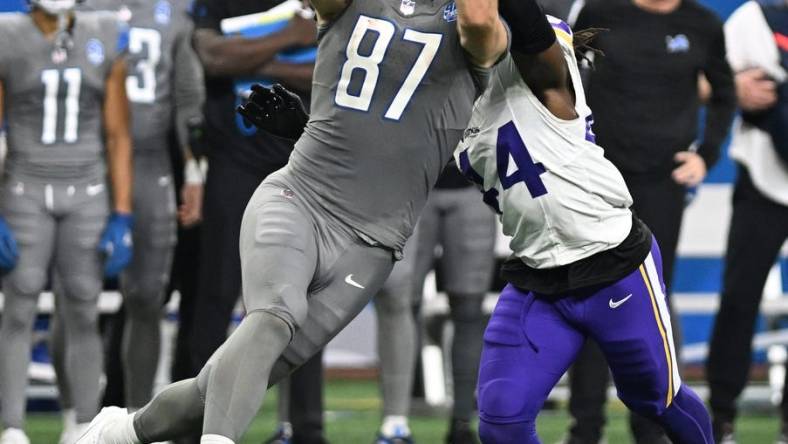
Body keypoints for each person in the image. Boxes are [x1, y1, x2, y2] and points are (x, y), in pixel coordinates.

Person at [76, 0, 508, 441]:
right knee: (275, 314)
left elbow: (476, 19)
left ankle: (121, 432)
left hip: (372, 243)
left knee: (228, 380)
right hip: (301, 197)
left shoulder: (479, 28)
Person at [454, 3, 716, 443]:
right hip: (538, 277)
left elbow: (501, 24)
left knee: (657, 398)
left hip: (613, 264)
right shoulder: (452, 100)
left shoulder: (542, 75)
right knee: (501, 419)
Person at [566, 0, 737, 441]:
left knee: (651, 303)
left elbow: (724, 93)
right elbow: (562, 83)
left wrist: (706, 155)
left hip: (663, 185)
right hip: (599, 182)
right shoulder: (600, 13)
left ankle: (650, 429)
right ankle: (585, 427)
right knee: (590, 295)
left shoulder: (702, 24)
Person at [53, 0, 206, 416]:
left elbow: (188, 95)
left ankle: (139, 420)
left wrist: (194, 170)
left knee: (146, 297)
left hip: (150, 163)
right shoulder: (79, 10)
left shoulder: (172, 13)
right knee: (74, 297)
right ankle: (75, 418)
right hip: (85, 161)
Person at [0, 0, 133, 442]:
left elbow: (118, 131)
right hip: (25, 186)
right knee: (18, 305)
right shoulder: (9, 33)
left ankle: (83, 424)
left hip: (87, 189)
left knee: (82, 306)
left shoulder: (104, 30)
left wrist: (123, 212)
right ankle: (12, 428)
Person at [706, 2, 788, 443]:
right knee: (739, 299)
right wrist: (735, 87)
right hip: (762, 177)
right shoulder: (753, 18)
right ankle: (722, 416)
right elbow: (712, 81)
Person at [412, 166, 496, 444]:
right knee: (400, 304)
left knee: (469, 310)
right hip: (411, 186)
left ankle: (461, 421)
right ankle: (395, 424)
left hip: (471, 185)